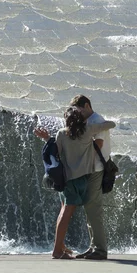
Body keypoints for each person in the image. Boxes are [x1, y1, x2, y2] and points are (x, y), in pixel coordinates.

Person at [34, 107, 115, 259]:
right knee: (66, 213)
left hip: (65, 179)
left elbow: (55, 151)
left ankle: (60, 246)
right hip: (79, 180)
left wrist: (46, 138)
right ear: (80, 120)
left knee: (63, 212)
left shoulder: (62, 134)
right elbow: (110, 125)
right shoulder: (87, 131)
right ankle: (57, 250)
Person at [69, 94, 111, 260]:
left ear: (86, 105)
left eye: (78, 109)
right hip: (90, 169)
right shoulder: (88, 121)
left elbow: (98, 145)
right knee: (89, 209)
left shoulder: (96, 120)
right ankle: (93, 247)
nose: (77, 113)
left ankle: (100, 250)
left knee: (94, 210)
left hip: (96, 169)